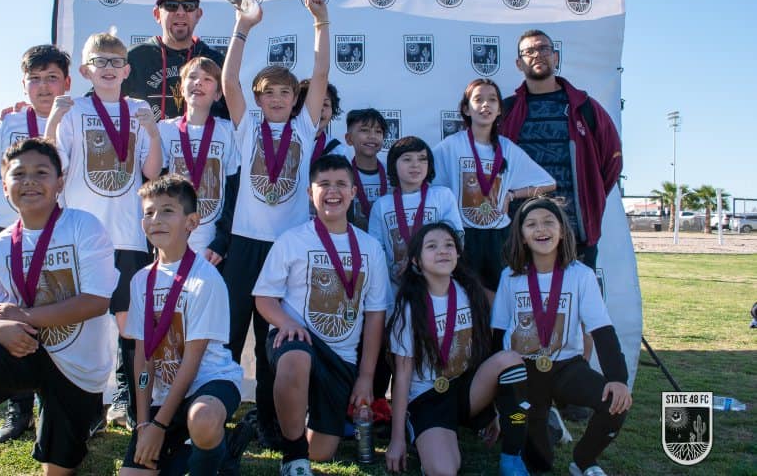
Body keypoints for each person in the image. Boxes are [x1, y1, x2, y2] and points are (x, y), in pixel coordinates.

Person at [0, 138, 118, 476]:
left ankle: (86, 416)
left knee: (58, 470)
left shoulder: (84, 227)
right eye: (18, 173)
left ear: (59, 182)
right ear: (5, 184)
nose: (29, 181)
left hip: (77, 366)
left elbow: (97, 302)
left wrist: (22, 316)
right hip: (27, 349)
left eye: (41, 172)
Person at [219, 0, 330, 448]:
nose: (279, 99)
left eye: (286, 92)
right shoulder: (247, 127)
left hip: (285, 249)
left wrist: (321, 23)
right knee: (225, 337)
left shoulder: (304, 127)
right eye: (270, 93)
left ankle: (268, 420)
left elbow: (321, 73)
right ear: (259, 99)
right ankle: (214, 417)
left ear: (295, 98)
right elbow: (229, 82)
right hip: (244, 244)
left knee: (274, 343)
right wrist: (243, 27)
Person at [46, 32, 162, 430]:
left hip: (128, 236)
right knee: (85, 326)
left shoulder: (138, 109)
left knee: (129, 328)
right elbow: (54, 170)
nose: (109, 69)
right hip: (84, 237)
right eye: (101, 62)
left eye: (116, 63)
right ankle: (87, 406)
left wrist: (153, 132)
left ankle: (130, 403)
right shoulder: (74, 111)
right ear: (85, 70)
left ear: (127, 70)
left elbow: (151, 172)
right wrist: (51, 122)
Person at [253, 154, 390, 475]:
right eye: (323, 184)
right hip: (297, 340)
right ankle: (293, 457)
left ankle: (301, 434)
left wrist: (366, 377)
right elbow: (264, 298)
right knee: (297, 357)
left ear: (354, 192)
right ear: (309, 194)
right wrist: (286, 323)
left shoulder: (371, 248)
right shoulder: (292, 240)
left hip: (341, 358)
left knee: (323, 452)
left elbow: (374, 316)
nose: (333, 191)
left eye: (341, 184)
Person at [0, 44, 72, 443]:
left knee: (52, 317)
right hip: (6, 235)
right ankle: (18, 408)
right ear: (23, 84)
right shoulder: (8, 124)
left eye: (51, 78)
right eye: (35, 79)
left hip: (54, 237)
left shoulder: (77, 117)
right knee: (7, 318)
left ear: (66, 81)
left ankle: (54, 403)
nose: (43, 87)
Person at [492, 197, 632, 475]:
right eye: (531, 224)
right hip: (524, 371)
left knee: (614, 404)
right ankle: (541, 426)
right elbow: (498, 332)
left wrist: (618, 379)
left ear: (562, 231)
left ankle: (583, 460)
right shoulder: (510, 276)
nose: (540, 229)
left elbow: (601, 330)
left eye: (548, 222)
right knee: (539, 463)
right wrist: (499, 391)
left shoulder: (581, 275)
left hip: (566, 367)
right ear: (521, 235)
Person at [120, 175, 244, 475]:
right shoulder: (140, 282)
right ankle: (221, 447)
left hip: (208, 385)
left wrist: (160, 424)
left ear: (192, 222)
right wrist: (144, 423)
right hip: (166, 395)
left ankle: (212, 457)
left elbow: (192, 361)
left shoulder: (206, 279)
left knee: (201, 420)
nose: (156, 219)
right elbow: (142, 358)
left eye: (167, 211)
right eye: (148, 212)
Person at [386, 222, 530, 476]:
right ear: (416, 262)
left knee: (510, 359)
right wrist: (395, 439)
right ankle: (416, 429)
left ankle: (512, 452)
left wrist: (494, 408)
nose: (442, 251)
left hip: (466, 389)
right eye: (432, 246)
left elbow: (485, 353)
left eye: (449, 245)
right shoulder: (410, 307)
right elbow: (403, 374)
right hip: (428, 398)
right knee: (444, 471)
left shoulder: (470, 293)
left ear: (458, 255)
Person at [501, 30, 622, 271]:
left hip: (575, 235)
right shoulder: (506, 111)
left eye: (544, 49)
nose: (537, 55)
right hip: (519, 235)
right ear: (519, 63)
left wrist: (590, 194)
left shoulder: (585, 107)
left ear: (556, 57)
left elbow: (612, 162)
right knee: (525, 305)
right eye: (529, 51)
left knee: (578, 306)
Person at [433, 78, 555, 296]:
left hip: (499, 237)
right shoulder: (451, 146)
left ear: (500, 110)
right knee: (465, 296)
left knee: (499, 298)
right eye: (478, 99)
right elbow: (428, 183)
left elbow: (549, 183)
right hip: (463, 234)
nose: (485, 105)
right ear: (466, 109)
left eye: (492, 100)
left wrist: (513, 194)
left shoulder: (508, 149)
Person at [157, 57, 239, 264]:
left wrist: (222, 239)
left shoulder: (228, 131)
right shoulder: (165, 130)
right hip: (173, 239)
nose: (198, 82)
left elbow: (233, 191)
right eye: (192, 77)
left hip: (211, 247)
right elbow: (155, 187)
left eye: (207, 79)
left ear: (218, 94)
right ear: (182, 88)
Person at [126, 0, 226, 121]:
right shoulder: (135, 58)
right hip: (146, 143)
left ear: (198, 15)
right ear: (157, 14)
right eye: (171, 5)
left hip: (201, 143)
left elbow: (236, 120)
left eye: (188, 6)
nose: (180, 12)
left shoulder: (216, 61)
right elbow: (99, 106)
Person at [370, 136, 462, 287]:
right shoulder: (381, 205)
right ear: (393, 164)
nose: (415, 165)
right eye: (407, 159)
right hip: (397, 287)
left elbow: (457, 238)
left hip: (436, 284)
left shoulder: (443, 196)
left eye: (422, 159)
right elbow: (376, 251)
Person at [344, 108, 388, 231]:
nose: (372, 136)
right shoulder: (342, 175)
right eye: (364, 130)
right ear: (349, 139)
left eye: (378, 132)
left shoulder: (394, 174)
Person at [292, 78, 344, 163]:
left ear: (333, 111)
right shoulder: (280, 142)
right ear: (296, 108)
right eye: (312, 104)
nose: (319, 109)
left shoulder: (338, 150)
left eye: (325, 104)